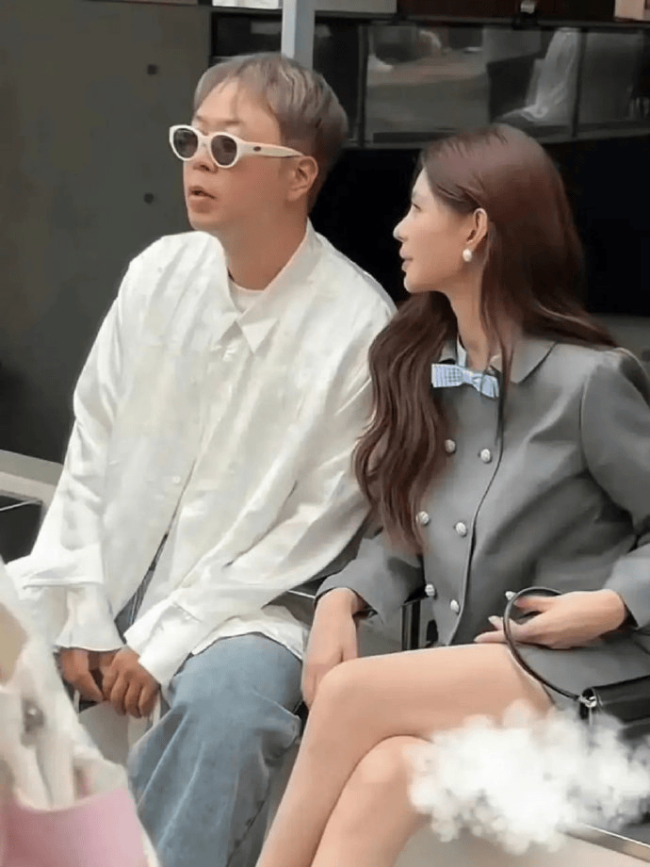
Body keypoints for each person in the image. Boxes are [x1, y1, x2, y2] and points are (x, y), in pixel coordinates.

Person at [7, 52, 394, 867]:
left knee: (228, 707)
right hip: (110, 568)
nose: (197, 163)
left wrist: (162, 640)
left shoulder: (359, 327)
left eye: (227, 147)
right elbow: (90, 448)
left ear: (298, 175)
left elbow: (311, 528)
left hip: (250, 603)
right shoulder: (158, 272)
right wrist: (79, 611)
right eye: (192, 139)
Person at [255, 124, 650, 867]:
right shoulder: (433, 370)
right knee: (388, 769)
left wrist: (611, 603)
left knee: (348, 694)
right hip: (482, 680)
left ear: (475, 228)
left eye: (416, 209)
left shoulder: (591, 381)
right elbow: (412, 532)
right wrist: (342, 598)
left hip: (588, 689)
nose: (398, 230)